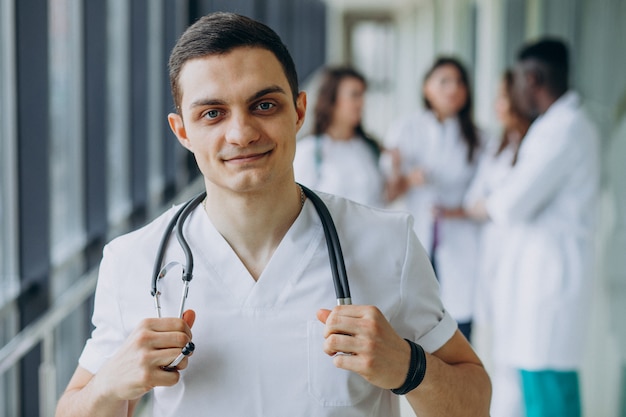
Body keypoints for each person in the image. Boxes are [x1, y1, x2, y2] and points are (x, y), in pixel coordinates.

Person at [54, 12, 491, 417]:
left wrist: (409, 368)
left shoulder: (387, 243)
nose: (241, 133)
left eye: (264, 105)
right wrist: (109, 386)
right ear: (182, 131)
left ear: (299, 111)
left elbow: (475, 401)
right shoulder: (133, 261)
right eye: (212, 113)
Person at [477, 38, 600, 417]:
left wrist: (490, 200)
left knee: (549, 394)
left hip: (550, 284)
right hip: (538, 282)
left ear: (531, 78)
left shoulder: (565, 130)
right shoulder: (554, 127)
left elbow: (511, 204)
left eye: (514, 82)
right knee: (537, 391)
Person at [385, 57, 483, 342]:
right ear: (427, 88)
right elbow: (386, 192)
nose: (453, 88)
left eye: (459, 82)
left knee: (460, 329)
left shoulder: (478, 138)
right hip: (418, 238)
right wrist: (407, 179)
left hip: (461, 243)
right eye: (444, 81)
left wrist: (459, 211)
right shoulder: (406, 129)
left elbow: (487, 193)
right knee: (417, 328)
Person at [463, 69, 532, 417]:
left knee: (516, 359)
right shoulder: (498, 144)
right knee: (501, 355)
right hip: (493, 258)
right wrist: (488, 206)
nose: (497, 105)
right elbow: (477, 201)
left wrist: (488, 206)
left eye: (503, 97)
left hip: (517, 258)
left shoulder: (531, 144)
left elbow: (496, 205)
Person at [293, 66, 399, 207]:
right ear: (331, 100)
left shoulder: (368, 148)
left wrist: (397, 169)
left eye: (362, 95)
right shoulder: (309, 151)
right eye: (354, 95)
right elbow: (299, 207)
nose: (362, 103)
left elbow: (382, 199)